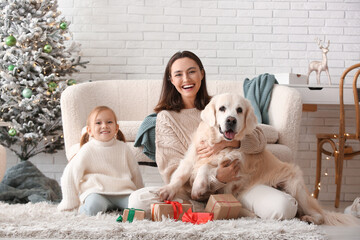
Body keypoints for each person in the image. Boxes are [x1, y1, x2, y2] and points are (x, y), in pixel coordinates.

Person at [129, 51, 297, 220]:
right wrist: (216, 178)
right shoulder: (167, 118)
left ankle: (219, 209)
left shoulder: (221, 104)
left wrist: (227, 143)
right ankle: (227, 210)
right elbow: (172, 171)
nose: (186, 79)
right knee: (137, 200)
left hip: (238, 186)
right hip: (191, 191)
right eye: (178, 74)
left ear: (202, 73)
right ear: (171, 80)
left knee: (284, 208)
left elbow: (260, 141)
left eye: (191, 71)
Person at [58, 106, 144, 216]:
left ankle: (123, 211)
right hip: (97, 192)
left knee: (139, 207)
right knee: (93, 207)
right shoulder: (87, 149)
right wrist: (70, 202)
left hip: (124, 192)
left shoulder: (124, 148)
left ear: (116, 128)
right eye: (98, 123)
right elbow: (70, 175)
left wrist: (139, 194)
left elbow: (136, 174)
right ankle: (85, 208)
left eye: (109, 122)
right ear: (89, 130)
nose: (104, 126)